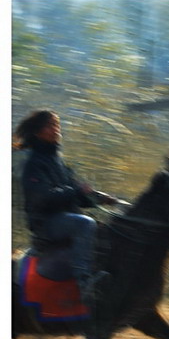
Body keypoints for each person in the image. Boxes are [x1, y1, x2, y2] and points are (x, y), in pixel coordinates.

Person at [14, 109, 119, 304]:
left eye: (57, 124)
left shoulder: (58, 160)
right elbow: (43, 198)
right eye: (51, 125)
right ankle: (84, 282)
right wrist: (77, 192)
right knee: (85, 225)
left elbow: (76, 195)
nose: (57, 129)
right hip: (45, 223)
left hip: (65, 218)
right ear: (38, 132)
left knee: (106, 228)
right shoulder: (33, 164)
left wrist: (99, 199)